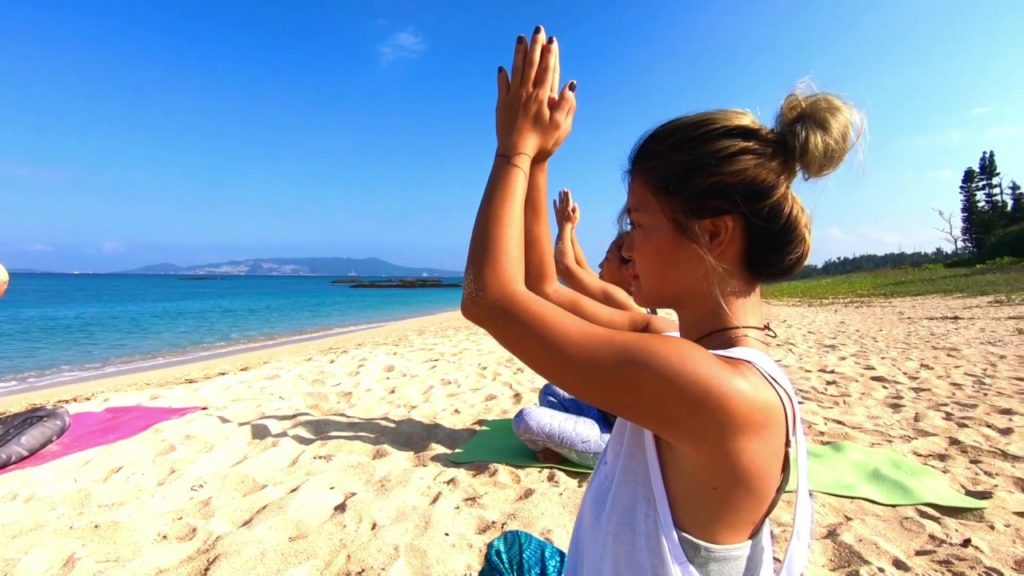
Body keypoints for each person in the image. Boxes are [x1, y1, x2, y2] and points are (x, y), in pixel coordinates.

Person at [463, 26, 862, 576]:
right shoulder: (682, 351)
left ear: (714, 235)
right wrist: (541, 160)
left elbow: (490, 298)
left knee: (508, 559)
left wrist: (514, 149)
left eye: (639, 223)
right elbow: (545, 287)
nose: (627, 243)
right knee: (512, 553)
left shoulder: (712, 389)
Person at [513, 189, 676, 467]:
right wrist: (572, 230)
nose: (599, 265)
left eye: (609, 258)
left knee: (527, 420)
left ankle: (579, 452)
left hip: (620, 440)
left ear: (629, 269)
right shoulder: (628, 303)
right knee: (551, 392)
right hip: (611, 414)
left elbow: (566, 269)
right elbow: (581, 269)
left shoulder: (626, 305)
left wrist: (564, 226)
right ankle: (568, 447)